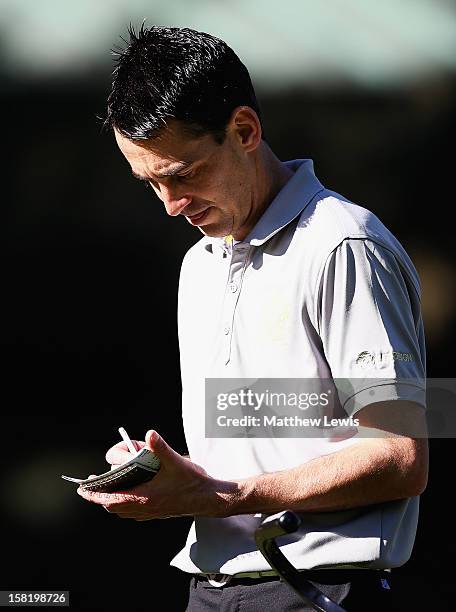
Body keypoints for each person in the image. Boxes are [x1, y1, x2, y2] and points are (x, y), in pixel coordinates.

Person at [77, 25, 429, 611]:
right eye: (151, 184)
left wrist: (222, 495)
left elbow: (402, 457)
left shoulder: (347, 245)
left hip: (319, 590)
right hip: (213, 588)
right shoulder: (200, 264)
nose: (170, 205)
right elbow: (266, 451)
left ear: (243, 130)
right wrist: (168, 474)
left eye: (182, 174)